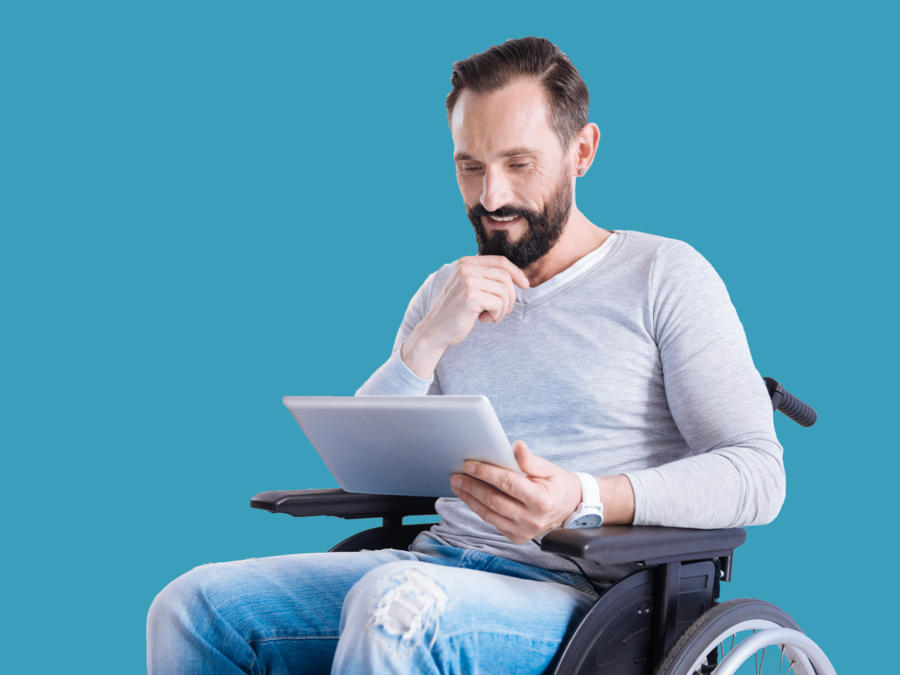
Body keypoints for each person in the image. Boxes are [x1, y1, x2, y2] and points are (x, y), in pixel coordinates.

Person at [147, 36, 785, 674]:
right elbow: (367, 470)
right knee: (192, 605)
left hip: (586, 594)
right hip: (435, 565)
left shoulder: (663, 274)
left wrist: (583, 497)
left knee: (392, 607)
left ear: (581, 151)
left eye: (518, 163)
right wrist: (427, 341)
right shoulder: (445, 291)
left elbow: (757, 474)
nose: (490, 197)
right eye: (470, 166)